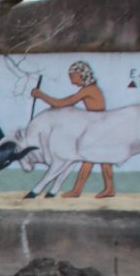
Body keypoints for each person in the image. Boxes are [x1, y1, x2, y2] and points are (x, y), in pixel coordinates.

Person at [30, 60, 117, 199]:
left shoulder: (89, 90)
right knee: (98, 159)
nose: (71, 80)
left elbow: (61, 103)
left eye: (72, 76)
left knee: (93, 159)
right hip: (99, 126)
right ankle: (105, 188)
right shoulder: (90, 89)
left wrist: (41, 95)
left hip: (98, 127)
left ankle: (81, 190)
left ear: (81, 74)